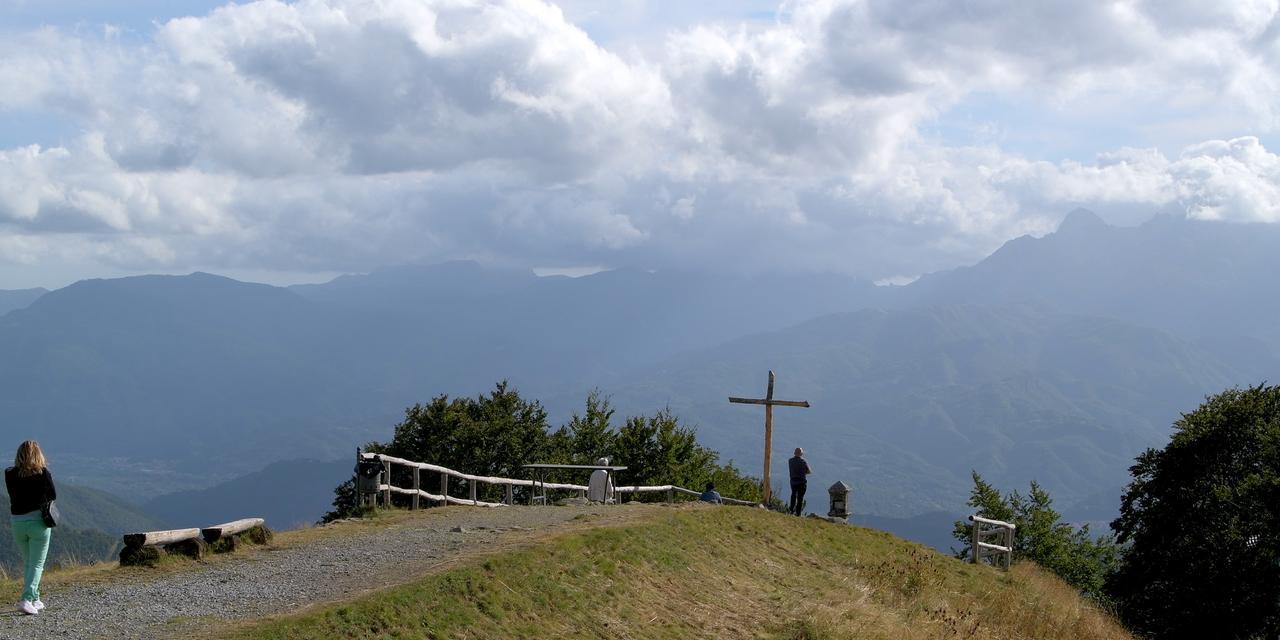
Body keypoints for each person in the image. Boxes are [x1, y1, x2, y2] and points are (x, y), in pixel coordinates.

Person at [5, 440, 55, 615]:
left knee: (29, 563)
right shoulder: (43, 474)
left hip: (17, 523)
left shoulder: (9, 474)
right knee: (37, 564)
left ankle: (35, 598)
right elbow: (52, 495)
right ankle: (26, 599)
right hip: (38, 523)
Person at [787, 447, 811, 516]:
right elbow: (809, 471)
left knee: (793, 495)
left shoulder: (790, 461)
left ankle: (791, 510)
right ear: (801, 454)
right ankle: (798, 513)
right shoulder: (803, 461)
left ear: (794, 453)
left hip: (793, 481)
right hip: (802, 482)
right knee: (800, 498)